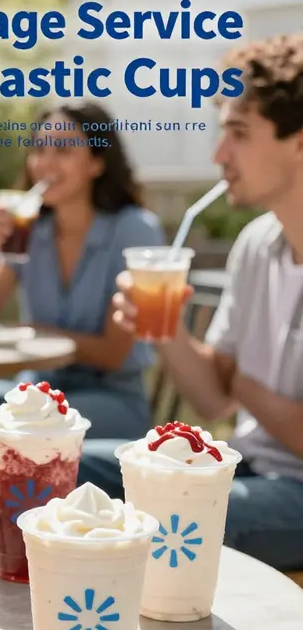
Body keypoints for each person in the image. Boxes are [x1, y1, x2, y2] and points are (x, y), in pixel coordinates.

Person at [78, 34, 303, 572]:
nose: (218, 154)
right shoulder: (257, 245)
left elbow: (238, 391)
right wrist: (167, 327)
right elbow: (214, 401)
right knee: (64, 466)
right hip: (244, 470)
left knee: (161, 524)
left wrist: (247, 386)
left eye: (239, 134)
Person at [0, 102, 165, 492]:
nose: (46, 163)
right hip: (36, 392)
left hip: (109, 397)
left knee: (23, 430)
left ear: (97, 162)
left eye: (63, 150)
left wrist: (36, 331)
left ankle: (26, 530)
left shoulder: (134, 230)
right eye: (39, 149)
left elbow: (114, 353)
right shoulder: (32, 229)